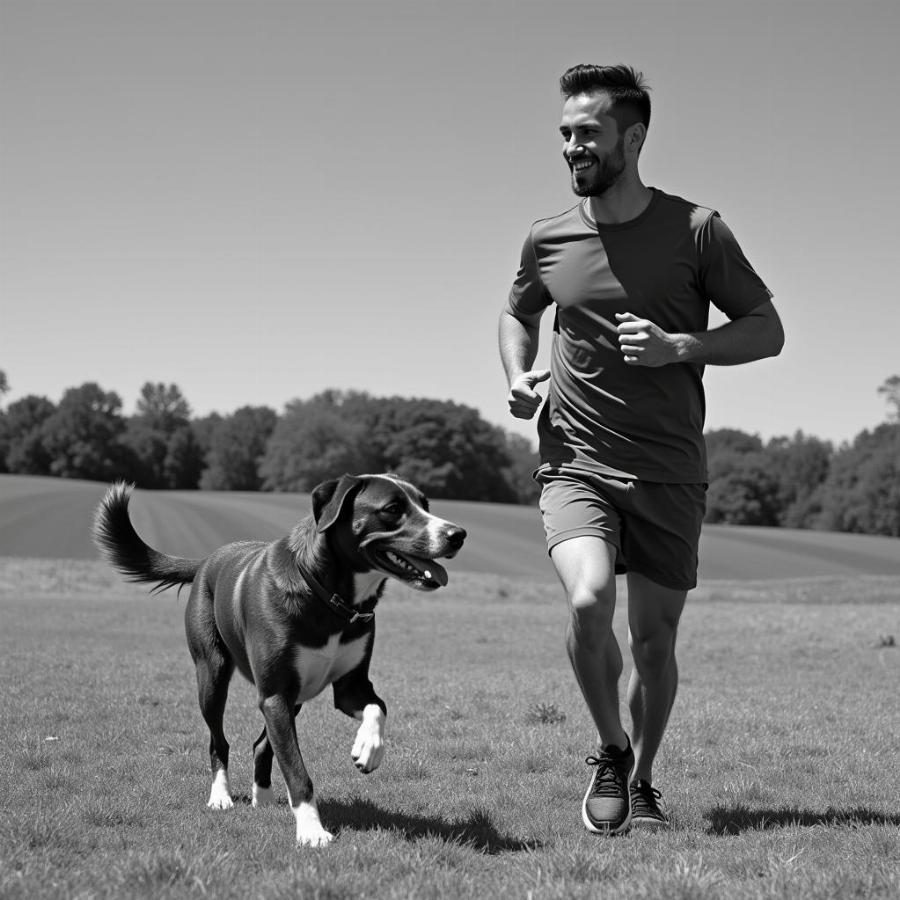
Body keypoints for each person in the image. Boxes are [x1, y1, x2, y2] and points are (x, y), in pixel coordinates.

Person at [498, 64, 784, 835]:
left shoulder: (697, 229)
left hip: (667, 468)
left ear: (633, 136)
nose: (571, 146)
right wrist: (519, 373)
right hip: (575, 459)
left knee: (653, 647)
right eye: (564, 134)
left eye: (586, 132)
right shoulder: (548, 237)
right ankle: (608, 751)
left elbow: (767, 329)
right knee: (589, 599)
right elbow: (517, 312)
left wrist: (680, 346)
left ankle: (644, 778)